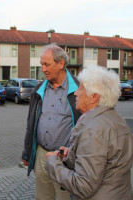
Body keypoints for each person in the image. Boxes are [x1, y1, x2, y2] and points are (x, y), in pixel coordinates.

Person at [46, 65, 133, 200]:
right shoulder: (115, 119)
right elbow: (106, 162)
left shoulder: (94, 130)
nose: (75, 93)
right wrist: (71, 155)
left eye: (80, 88)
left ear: (94, 97)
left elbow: (82, 186)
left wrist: (53, 163)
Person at [22, 44, 82, 200]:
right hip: (42, 154)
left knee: (65, 197)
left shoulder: (79, 89)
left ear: (61, 63)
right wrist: (27, 153)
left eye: (47, 64)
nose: (43, 69)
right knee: (42, 197)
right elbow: (31, 124)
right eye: (41, 64)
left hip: (64, 157)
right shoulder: (38, 90)